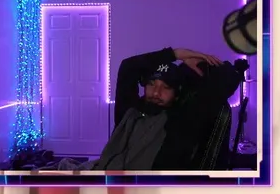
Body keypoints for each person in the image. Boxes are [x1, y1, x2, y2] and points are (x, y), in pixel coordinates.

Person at [79, 47, 244, 171]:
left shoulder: (181, 121)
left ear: (177, 93)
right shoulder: (129, 111)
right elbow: (128, 67)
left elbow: (225, 79)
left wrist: (190, 69)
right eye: (152, 84)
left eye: (166, 87)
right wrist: (176, 54)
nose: (156, 93)